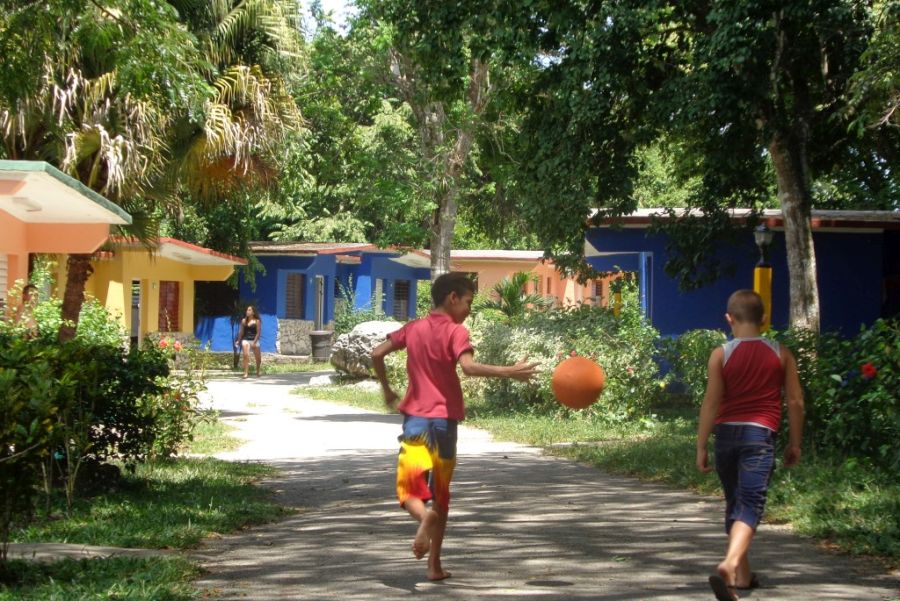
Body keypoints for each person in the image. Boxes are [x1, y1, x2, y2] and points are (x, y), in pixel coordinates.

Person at [371, 272, 538, 582]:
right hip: (445, 424)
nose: (469, 309)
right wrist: (509, 371)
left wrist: (387, 389)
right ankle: (433, 565)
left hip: (416, 423)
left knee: (408, 490)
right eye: (469, 302)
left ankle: (424, 517)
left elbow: (377, 353)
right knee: (441, 496)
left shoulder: (414, 328)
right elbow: (469, 368)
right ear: (452, 297)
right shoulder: (456, 332)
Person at [696, 289, 804, 601]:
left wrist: (701, 445)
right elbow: (795, 401)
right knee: (750, 504)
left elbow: (711, 403)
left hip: (726, 437)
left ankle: (741, 578)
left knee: (735, 502)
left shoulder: (721, 354)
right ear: (764, 320)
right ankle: (730, 564)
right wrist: (795, 442)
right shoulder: (780, 354)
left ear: (729, 319)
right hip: (759, 437)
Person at [235, 305, 262, 378]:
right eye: (247, 310)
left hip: (254, 340)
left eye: (249, 310)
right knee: (245, 355)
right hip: (246, 339)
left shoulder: (257, 321)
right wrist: (238, 340)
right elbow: (241, 332)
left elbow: (258, 333)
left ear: (253, 312)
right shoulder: (244, 320)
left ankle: (258, 371)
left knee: (258, 359)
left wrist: (254, 342)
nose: (247, 311)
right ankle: (246, 373)